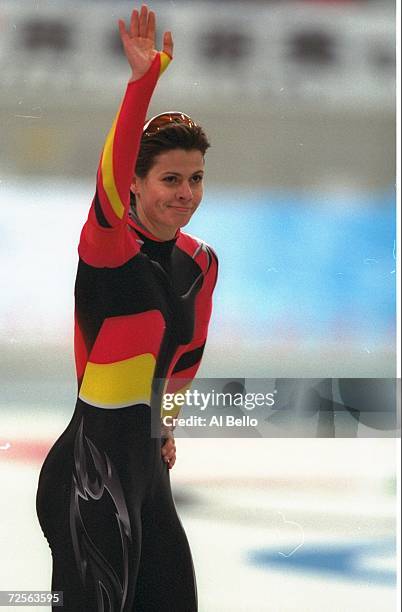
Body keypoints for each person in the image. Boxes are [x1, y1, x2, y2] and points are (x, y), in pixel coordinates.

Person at [36, 5, 218, 611]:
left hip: (149, 478)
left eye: (194, 179)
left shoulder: (200, 262)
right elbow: (106, 182)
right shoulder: (108, 246)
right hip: (90, 475)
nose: (185, 193)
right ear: (137, 183)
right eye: (170, 179)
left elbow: (186, 354)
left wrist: (166, 420)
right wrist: (141, 85)